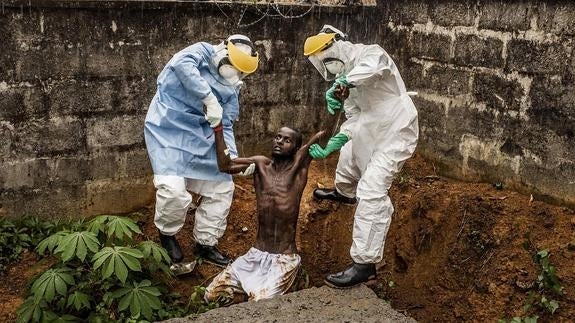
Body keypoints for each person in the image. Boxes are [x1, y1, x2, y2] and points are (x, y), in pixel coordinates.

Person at [303, 25, 419, 288]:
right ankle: (344, 192)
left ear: (337, 46)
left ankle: (365, 265)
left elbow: (374, 68)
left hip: (397, 128)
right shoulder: (345, 81)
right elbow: (354, 119)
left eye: (327, 59)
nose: (329, 68)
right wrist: (334, 144)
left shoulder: (371, 54)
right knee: (348, 155)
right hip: (369, 127)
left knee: (372, 189)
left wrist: (346, 81)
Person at [144, 34, 259, 268]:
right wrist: (209, 98)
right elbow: (180, 65)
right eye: (232, 65)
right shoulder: (201, 51)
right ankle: (167, 235)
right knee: (173, 191)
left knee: (222, 188)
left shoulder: (231, 86)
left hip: (200, 135)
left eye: (239, 70)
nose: (233, 72)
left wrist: (232, 157)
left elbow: (225, 124)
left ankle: (205, 243)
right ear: (223, 53)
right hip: (168, 128)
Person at [204, 125, 325, 303]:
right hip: (256, 255)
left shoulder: (298, 168)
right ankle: (247, 293)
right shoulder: (261, 164)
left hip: (284, 259)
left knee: (261, 304)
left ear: (296, 148)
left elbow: (323, 135)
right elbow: (225, 165)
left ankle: (296, 278)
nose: (280, 142)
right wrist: (218, 128)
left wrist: (335, 105)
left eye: (287, 140)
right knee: (211, 295)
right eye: (278, 137)